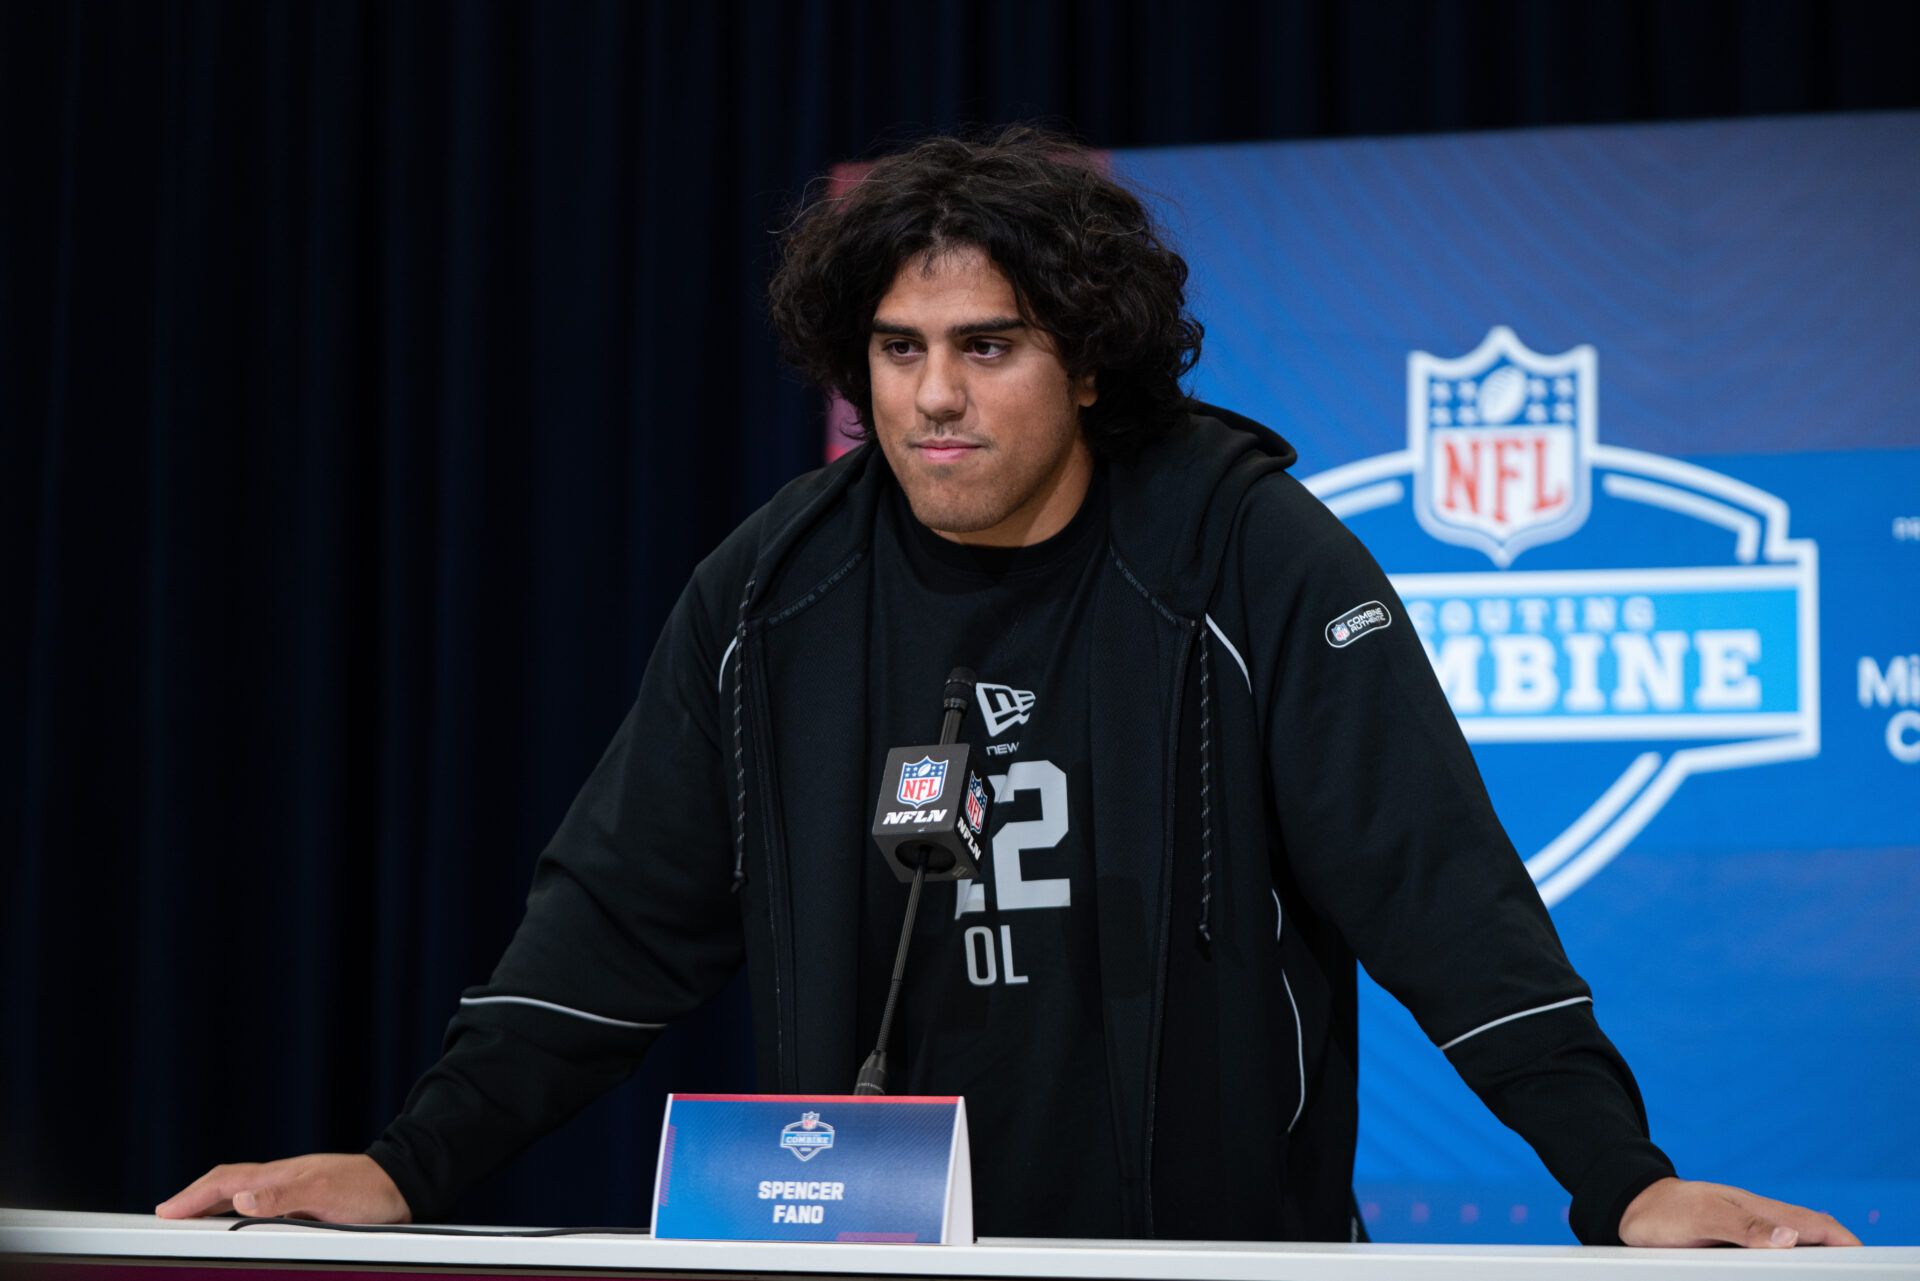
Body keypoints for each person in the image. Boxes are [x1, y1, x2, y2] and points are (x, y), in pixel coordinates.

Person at [158, 126, 1858, 1249]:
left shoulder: (1248, 553)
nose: (933, 400)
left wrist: (1617, 1180)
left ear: (1091, 358)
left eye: (988, 347)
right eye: (899, 352)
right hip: (867, 1260)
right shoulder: (774, 590)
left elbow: (1442, 896)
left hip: (1216, 1275)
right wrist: (410, 1159)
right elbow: (612, 916)